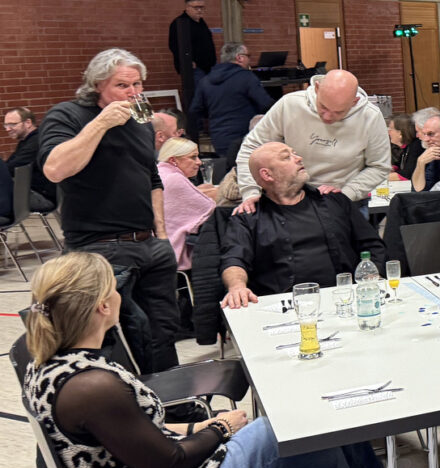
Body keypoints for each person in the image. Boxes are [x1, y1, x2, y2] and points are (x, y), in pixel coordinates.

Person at [23, 252, 383, 468]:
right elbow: (168, 464)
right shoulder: (91, 386)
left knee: (312, 433)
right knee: (305, 432)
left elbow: (135, 433)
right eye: (114, 289)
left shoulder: (55, 363)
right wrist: (220, 427)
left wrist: (200, 428)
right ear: (103, 306)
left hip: (165, 464)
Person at [38, 48, 180, 374]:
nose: (133, 92)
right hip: (100, 247)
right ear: (97, 85)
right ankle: (121, 396)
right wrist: (101, 123)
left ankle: (171, 396)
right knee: (117, 335)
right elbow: (55, 169)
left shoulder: (141, 123)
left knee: (162, 330)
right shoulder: (68, 115)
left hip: (149, 244)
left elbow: (152, 177)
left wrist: (161, 235)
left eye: (137, 84)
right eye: (122, 85)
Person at [220, 142, 387, 305]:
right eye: (286, 157)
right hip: (282, 307)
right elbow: (234, 259)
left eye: (295, 153)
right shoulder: (249, 217)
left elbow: (372, 245)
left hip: (345, 299)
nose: (298, 158)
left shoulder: (334, 201)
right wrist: (237, 287)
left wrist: (372, 276)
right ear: (267, 175)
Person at [234, 70, 391, 214]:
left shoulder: (370, 116)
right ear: (317, 88)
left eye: (338, 112)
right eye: (323, 107)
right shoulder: (290, 104)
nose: (327, 117)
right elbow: (251, 148)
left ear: (354, 102)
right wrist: (251, 192)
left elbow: (379, 166)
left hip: (345, 204)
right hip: (290, 202)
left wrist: (346, 193)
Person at [189, 43, 275, 156]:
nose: (249, 60)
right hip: (245, 136)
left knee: (227, 165)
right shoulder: (246, 77)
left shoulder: (205, 81)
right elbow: (265, 104)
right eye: (248, 56)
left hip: (219, 137)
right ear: (239, 58)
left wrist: (213, 115)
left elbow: (195, 110)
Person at [157, 137, 216, 271]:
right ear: (173, 160)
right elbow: (209, 208)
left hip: (157, 249)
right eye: (193, 157)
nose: (199, 162)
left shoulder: (160, 171)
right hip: (171, 254)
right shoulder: (174, 178)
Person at [4, 107, 57, 212]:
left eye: (12, 124)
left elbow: (10, 169)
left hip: (43, 197)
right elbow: (9, 166)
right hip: (33, 192)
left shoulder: (35, 143)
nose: (7, 129)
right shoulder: (28, 141)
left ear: (28, 123)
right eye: (6, 125)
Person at [168, 0, 216, 85]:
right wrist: (187, 60)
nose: (199, 10)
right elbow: (174, 45)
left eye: (202, 7)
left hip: (208, 66)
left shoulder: (201, 22)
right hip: (194, 68)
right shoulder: (180, 22)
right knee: (199, 91)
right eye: (196, 7)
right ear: (187, 7)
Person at [387, 113, 418, 181]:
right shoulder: (406, 146)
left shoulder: (416, 147)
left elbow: (407, 174)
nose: (388, 132)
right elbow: (400, 165)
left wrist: (378, 178)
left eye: (391, 129)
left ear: (400, 133)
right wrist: (392, 168)